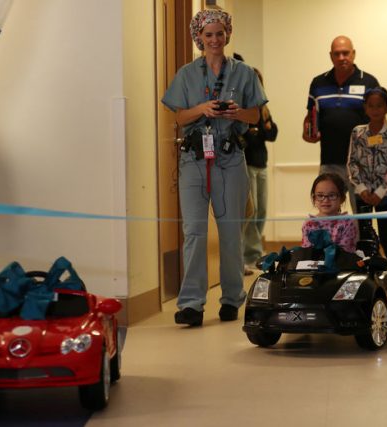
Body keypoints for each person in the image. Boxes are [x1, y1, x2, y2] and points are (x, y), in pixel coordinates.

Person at [161, 8, 267, 325]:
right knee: (193, 232)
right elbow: (178, 117)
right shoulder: (186, 74)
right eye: (208, 35)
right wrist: (202, 108)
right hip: (194, 160)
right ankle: (192, 303)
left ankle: (232, 298)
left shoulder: (244, 73)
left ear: (227, 35)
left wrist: (237, 113)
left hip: (230, 157)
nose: (215, 40)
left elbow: (256, 116)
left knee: (230, 231)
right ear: (199, 39)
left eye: (220, 34)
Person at [302, 35, 380, 213]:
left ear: (353, 54)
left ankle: (362, 242)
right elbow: (310, 116)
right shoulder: (318, 83)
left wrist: (374, 156)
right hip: (330, 161)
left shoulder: (369, 82)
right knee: (328, 214)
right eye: (337, 54)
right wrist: (307, 132)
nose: (341, 58)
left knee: (363, 217)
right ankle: (331, 243)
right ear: (331, 56)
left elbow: (379, 122)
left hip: (362, 164)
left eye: (345, 53)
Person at [347, 87, 387, 259]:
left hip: (383, 195)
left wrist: (379, 192)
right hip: (361, 194)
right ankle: (367, 273)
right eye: (371, 106)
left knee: (385, 237)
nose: (375, 110)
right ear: (365, 108)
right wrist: (361, 188)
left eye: (380, 106)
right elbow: (351, 162)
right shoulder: (358, 133)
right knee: (364, 238)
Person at [242, 68, 278, 275]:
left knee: (262, 210)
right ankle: (253, 255)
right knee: (251, 210)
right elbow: (247, 136)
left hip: (261, 163)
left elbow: (271, 133)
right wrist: (257, 131)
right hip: (246, 163)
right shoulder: (242, 107)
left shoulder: (262, 107)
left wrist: (260, 131)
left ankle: (252, 252)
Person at [301, 173, 358, 253]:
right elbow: (306, 253)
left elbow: (346, 252)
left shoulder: (347, 222)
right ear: (314, 198)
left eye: (332, 195)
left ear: (342, 198)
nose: (326, 200)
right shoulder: (309, 223)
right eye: (320, 196)